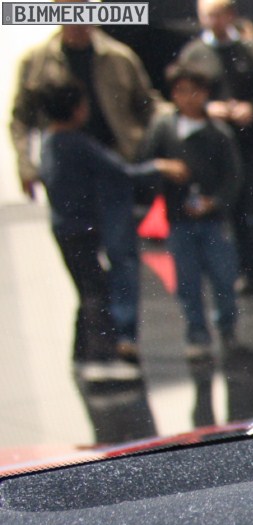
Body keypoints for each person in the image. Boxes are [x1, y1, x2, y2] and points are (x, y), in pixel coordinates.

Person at [11, 14, 159, 364]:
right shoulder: (37, 62)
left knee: (121, 256)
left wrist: (149, 144)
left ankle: (123, 338)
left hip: (112, 165)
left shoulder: (118, 57)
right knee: (86, 267)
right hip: (70, 174)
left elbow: (147, 105)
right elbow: (20, 118)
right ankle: (95, 346)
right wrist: (26, 165)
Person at [36, 80, 185, 382]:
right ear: (76, 109)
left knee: (88, 290)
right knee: (96, 292)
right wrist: (159, 167)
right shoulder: (76, 144)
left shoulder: (50, 142)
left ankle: (82, 355)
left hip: (65, 226)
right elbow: (120, 171)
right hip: (80, 227)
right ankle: (100, 358)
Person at [179, 0, 253, 298]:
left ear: (230, 16)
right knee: (231, 209)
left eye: (217, 15)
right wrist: (207, 107)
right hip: (216, 145)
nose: (213, 21)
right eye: (207, 16)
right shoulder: (194, 54)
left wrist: (252, 108)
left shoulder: (252, 51)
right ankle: (244, 272)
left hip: (252, 141)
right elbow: (183, 92)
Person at [142, 63, 242, 364]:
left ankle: (227, 327)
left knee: (223, 278)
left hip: (213, 219)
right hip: (179, 218)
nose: (188, 98)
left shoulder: (219, 133)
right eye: (181, 92)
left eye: (194, 91)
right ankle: (197, 333)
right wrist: (163, 168)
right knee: (187, 282)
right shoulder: (164, 129)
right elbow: (145, 162)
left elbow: (234, 176)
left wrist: (216, 202)